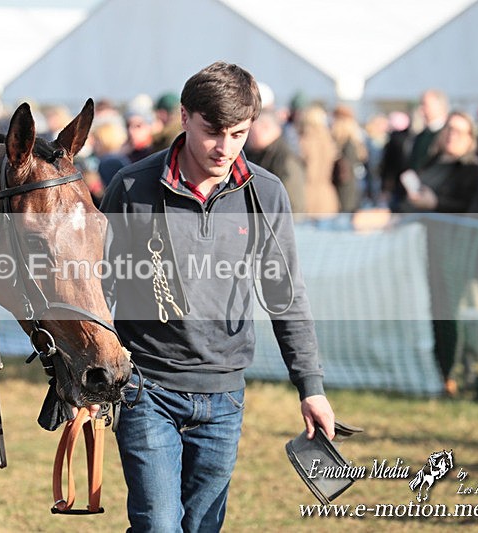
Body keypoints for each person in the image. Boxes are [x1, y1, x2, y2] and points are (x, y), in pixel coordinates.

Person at [100, 61, 335, 532]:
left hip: (224, 395)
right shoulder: (131, 187)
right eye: (213, 131)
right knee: (159, 526)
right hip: (147, 387)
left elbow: (286, 296)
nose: (225, 148)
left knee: (202, 527)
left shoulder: (266, 194)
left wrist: (311, 387)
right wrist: (87, 379)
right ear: (184, 117)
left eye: (239, 133)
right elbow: (99, 288)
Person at [401, 111, 478, 397]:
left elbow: (469, 207)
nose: (452, 135)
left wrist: (436, 202)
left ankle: (451, 372)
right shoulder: (433, 162)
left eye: (460, 131)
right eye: (449, 129)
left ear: (470, 138)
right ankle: (437, 368)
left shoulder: (471, 169)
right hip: (424, 247)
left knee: (448, 311)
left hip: (453, 249)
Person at [245, 106, 306, 216]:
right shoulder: (257, 153)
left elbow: (293, 204)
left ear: (265, 127)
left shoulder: (285, 159)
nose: (247, 137)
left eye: (250, 131)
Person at [330, 104, 368, 213]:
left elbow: (345, 175)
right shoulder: (354, 142)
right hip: (352, 193)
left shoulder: (347, 145)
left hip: (345, 196)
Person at [407, 89, 450, 172]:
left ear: (439, 106)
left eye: (425, 105)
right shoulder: (420, 136)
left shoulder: (447, 135)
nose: (421, 109)